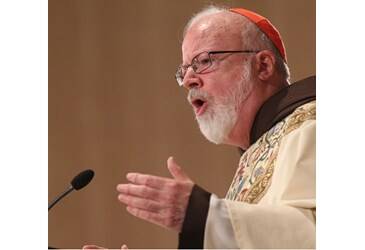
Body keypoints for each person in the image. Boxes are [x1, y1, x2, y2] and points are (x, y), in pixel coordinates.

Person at [84, 5, 315, 249]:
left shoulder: (311, 128)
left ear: (263, 66)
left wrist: (206, 216)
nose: (187, 80)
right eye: (184, 71)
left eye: (204, 61)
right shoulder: (261, 148)